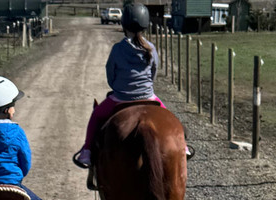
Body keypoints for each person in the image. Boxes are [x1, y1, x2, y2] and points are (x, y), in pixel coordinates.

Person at [74, 4, 190, 169]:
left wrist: (117, 86)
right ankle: (182, 146)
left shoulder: (117, 49)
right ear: (145, 25)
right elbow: (154, 72)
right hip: (148, 96)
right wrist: (146, 87)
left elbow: (110, 74)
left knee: (97, 115)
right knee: (169, 117)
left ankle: (86, 152)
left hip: (120, 97)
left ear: (124, 25)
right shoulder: (151, 48)